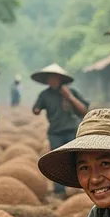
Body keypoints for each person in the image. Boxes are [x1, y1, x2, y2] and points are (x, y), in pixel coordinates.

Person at [31, 63, 89, 197]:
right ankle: (59, 190)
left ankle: (81, 186)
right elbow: (36, 109)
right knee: (57, 160)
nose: (51, 81)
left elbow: (84, 110)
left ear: (60, 79)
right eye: (49, 78)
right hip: (55, 132)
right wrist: (37, 110)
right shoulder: (44, 95)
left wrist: (69, 97)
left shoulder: (71, 91)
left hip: (72, 130)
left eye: (54, 78)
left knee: (77, 159)